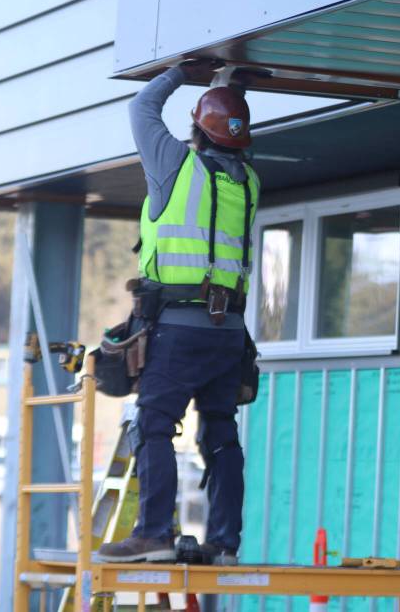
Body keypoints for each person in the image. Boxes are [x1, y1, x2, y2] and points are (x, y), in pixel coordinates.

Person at [97, 60, 260, 565]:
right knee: (220, 434)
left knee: (155, 425)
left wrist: (179, 71)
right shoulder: (248, 181)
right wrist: (225, 87)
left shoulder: (174, 165)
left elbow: (141, 106)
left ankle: (153, 534)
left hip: (178, 330)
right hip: (228, 333)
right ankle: (224, 544)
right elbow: (224, 133)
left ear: (194, 127)